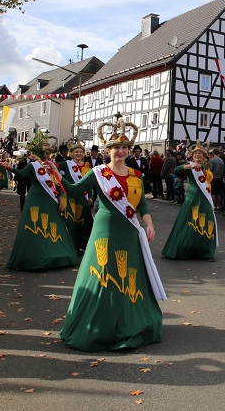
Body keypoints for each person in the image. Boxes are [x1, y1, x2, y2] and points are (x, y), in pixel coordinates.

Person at [57, 119, 166, 351]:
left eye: (124, 147)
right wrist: (56, 175)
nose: (120, 151)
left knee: (129, 273)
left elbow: (142, 205)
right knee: (103, 270)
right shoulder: (98, 173)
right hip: (104, 229)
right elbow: (76, 191)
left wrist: (149, 225)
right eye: (116, 147)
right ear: (108, 151)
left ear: (129, 151)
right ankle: (98, 323)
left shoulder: (136, 175)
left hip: (129, 231)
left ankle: (130, 321)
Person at [2, 143, 79, 271]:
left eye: (49, 153)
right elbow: (21, 174)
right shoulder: (33, 166)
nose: (47, 156)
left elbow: (58, 183)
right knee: (34, 224)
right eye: (45, 153)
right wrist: (11, 168)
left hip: (50, 200)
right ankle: (34, 258)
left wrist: (60, 197)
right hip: (36, 198)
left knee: (53, 226)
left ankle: (55, 256)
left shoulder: (51, 166)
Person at [162, 143, 218, 260]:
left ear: (204, 156)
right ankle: (184, 249)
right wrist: (187, 167)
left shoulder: (206, 167)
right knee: (189, 222)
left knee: (207, 222)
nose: (198, 155)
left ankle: (206, 251)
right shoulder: (189, 165)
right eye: (195, 153)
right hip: (193, 198)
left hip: (205, 197)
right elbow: (176, 170)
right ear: (192, 156)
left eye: (200, 153)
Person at [57, 140, 94, 251]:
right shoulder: (66, 164)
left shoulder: (87, 167)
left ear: (83, 154)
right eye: (76, 152)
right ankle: (71, 246)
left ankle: (84, 245)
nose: (78, 154)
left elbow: (90, 184)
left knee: (85, 223)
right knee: (71, 222)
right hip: (70, 198)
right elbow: (54, 166)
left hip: (83, 199)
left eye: (80, 152)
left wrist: (91, 196)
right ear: (71, 154)